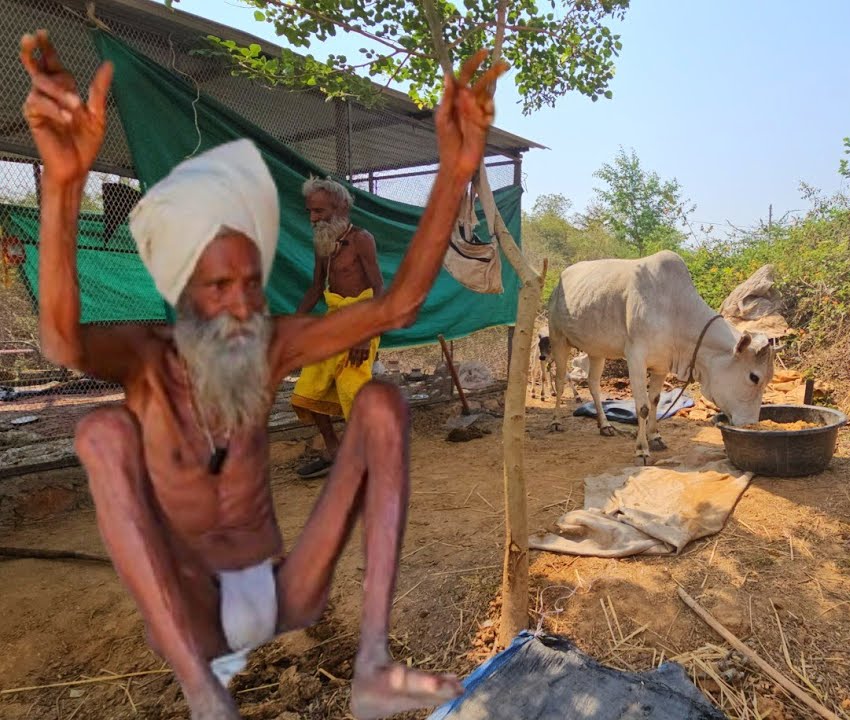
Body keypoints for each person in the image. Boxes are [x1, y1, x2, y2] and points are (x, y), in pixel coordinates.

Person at [19, 28, 506, 720]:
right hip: (191, 611)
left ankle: (372, 665)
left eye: (251, 284)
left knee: (379, 403)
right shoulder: (147, 356)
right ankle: (203, 691)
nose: (243, 304)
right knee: (102, 432)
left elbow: (396, 305)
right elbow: (62, 339)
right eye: (220, 287)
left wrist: (454, 172)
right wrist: (66, 186)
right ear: (183, 289)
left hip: (283, 592)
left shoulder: (268, 344)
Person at [291, 177, 383, 479]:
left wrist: (365, 336)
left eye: (319, 211)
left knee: (353, 390)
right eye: (310, 211)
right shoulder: (323, 243)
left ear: (341, 207)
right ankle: (334, 451)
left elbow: (379, 289)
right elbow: (316, 287)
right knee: (308, 387)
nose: (312, 218)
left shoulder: (362, 239)